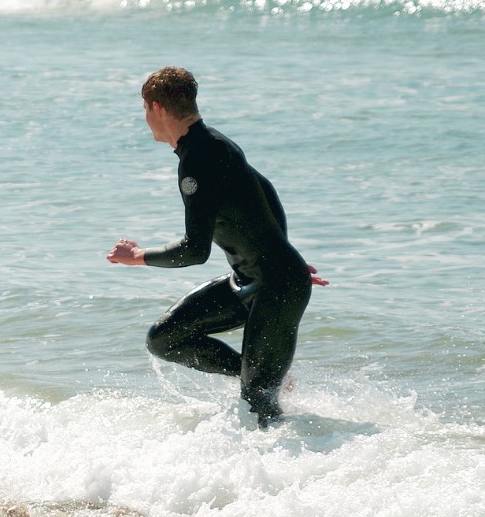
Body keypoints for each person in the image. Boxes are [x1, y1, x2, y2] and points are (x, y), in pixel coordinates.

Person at [107, 66, 326, 423]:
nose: (145, 119)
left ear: (157, 109)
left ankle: (291, 470)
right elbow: (266, 193)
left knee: (259, 404)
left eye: (145, 110)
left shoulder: (197, 160)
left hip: (276, 287)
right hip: (252, 278)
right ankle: (258, 375)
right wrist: (285, 254)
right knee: (164, 338)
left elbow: (196, 250)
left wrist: (137, 256)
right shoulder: (214, 143)